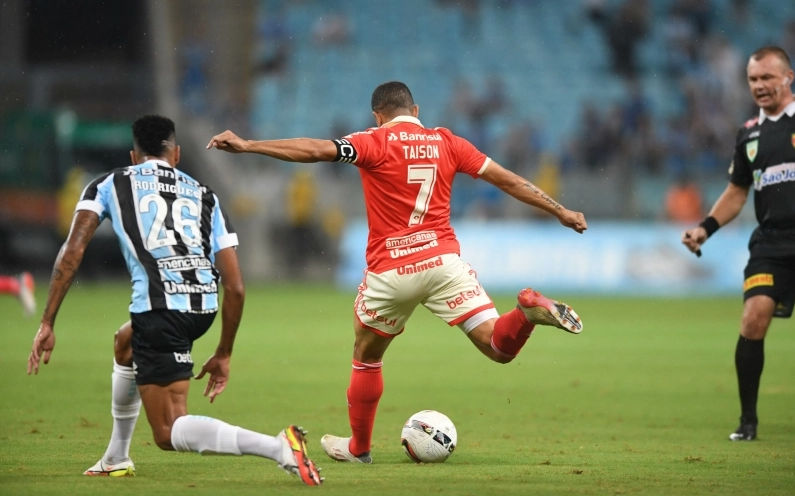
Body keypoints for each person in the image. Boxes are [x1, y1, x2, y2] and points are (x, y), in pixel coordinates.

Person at [207, 81, 588, 463]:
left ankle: (359, 448)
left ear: (378, 115)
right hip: (443, 262)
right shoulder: (448, 142)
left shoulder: (372, 141)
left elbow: (314, 149)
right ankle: (525, 313)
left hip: (392, 270)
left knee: (366, 355)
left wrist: (249, 145)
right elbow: (507, 179)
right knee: (497, 347)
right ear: (416, 110)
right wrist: (561, 211)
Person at [26, 115, 323, 485]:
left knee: (168, 431)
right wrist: (224, 352)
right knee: (125, 344)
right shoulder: (206, 194)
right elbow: (235, 287)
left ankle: (279, 447)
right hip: (203, 306)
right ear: (177, 154)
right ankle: (116, 457)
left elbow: (72, 252)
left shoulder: (108, 183)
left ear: (133, 156)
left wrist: (48, 321)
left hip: (161, 309)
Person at [682, 46, 795, 442]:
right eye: (753, 79)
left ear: (788, 77)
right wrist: (704, 228)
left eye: (767, 77)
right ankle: (748, 422)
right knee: (751, 320)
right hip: (771, 242)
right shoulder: (750, 133)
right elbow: (736, 192)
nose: (759, 86)